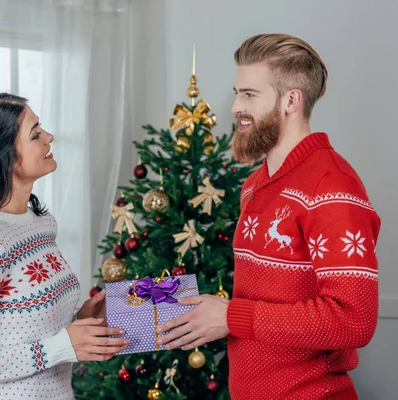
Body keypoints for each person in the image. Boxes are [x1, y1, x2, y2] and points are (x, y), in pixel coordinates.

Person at [157, 34, 380, 399]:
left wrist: (230, 317)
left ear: (291, 100)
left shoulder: (332, 185)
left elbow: (353, 320)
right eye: (237, 92)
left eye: (249, 94)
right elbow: (268, 297)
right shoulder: (256, 184)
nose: (234, 107)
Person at [0, 93, 127, 400]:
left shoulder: (40, 223)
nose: (49, 137)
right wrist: (61, 346)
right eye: (36, 134)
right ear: (4, 154)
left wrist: (80, 320)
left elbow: (24, 329)